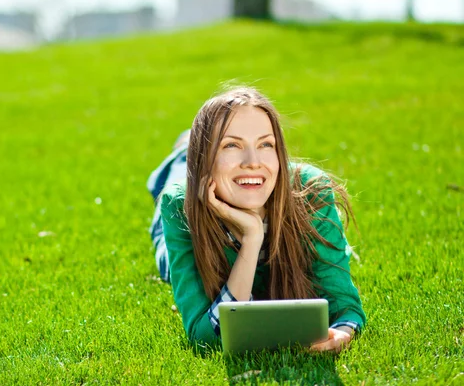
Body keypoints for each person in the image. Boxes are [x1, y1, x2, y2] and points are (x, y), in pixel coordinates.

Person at [147, 86, 365, 352]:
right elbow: (204, 338)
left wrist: (342, 334)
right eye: (231, 145)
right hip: (193, 192)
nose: (253, 161)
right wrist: (252, 238)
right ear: (205, 159)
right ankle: (185, 149)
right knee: (166, 259)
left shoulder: (311, 191)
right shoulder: (180, 205)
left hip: (232, 180)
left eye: (265, 144)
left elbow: (347, 309)